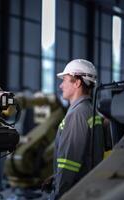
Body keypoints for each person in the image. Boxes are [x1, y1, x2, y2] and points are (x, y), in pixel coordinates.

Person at [42, 59, 105, 199]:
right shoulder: (89, 110)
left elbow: (69, 163)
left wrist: (58, 195)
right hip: (86, 187)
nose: (60, 86)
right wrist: (56, 176)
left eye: (64, 80)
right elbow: (84, 157)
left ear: (77, 83)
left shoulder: (77, 114)